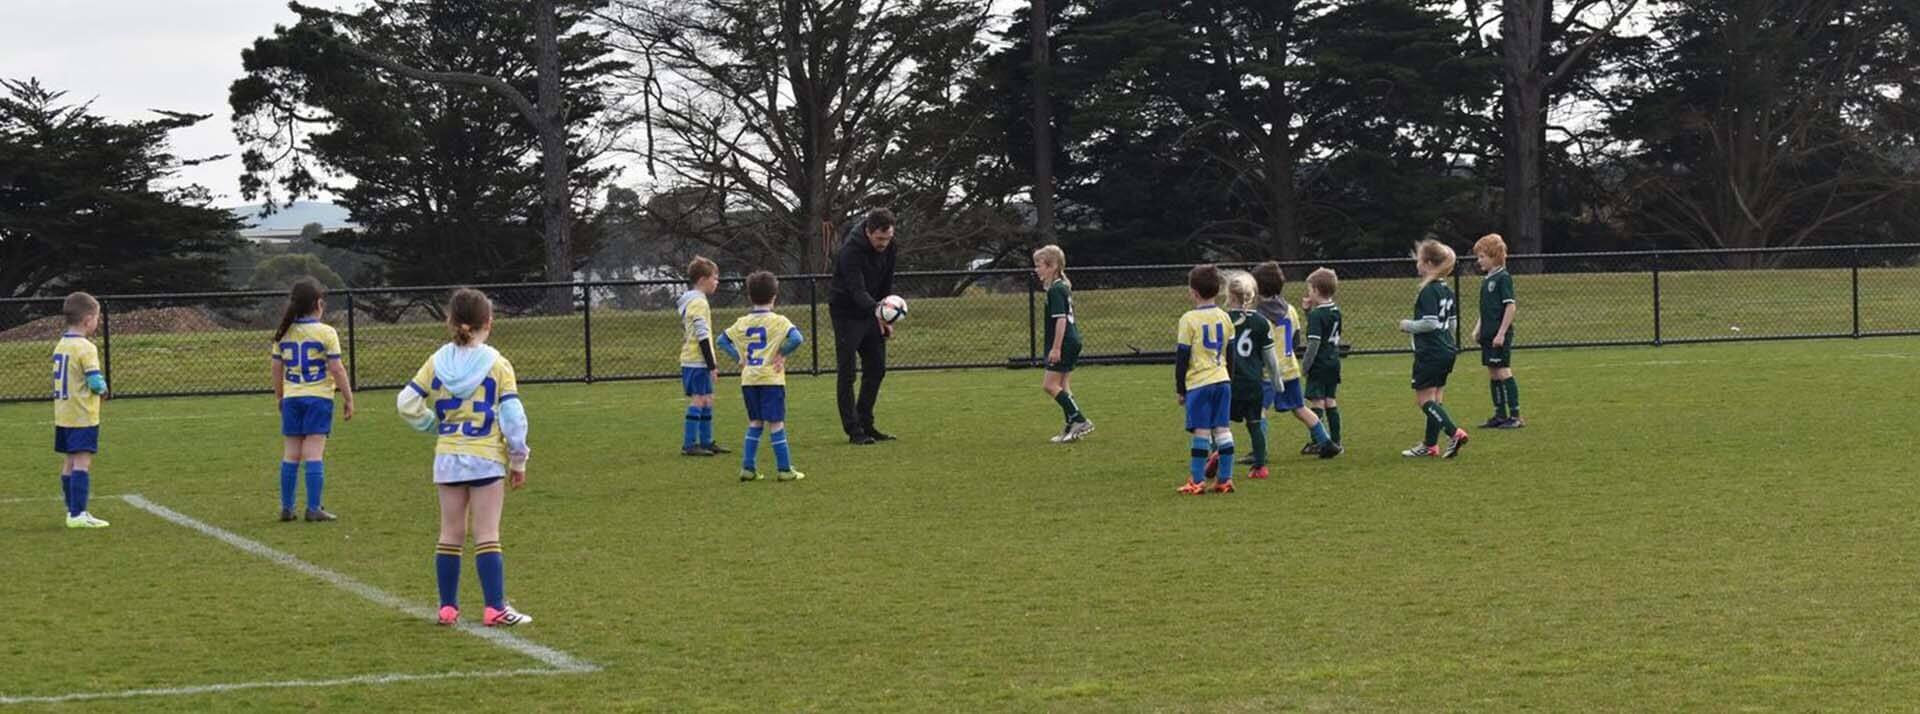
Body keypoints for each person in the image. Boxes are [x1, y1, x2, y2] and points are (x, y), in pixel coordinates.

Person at [396, 288, 533, 628]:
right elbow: (514, 417)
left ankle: (447, 608)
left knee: (450, 534)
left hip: (448, 458)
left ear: (451, 322)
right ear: (489, 322)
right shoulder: (498, 364)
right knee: (487, 534)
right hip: (485, 458)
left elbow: (406, 403)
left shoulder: (437, 361)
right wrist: (518, 459)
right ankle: (494, 608)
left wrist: (434, 426)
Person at [270, 277, 354, 522]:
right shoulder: (326, 332)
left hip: (292, 399)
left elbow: (276, 369)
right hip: (318, 399)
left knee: (291, 454)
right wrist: (348, 398)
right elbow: (337, 368)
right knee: (314, 453)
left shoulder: (283, 333)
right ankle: (314, 508)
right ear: (319, 304)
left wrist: (280, 396)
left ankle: (287, 508)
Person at [717, 271, 808, 482]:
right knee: (776, 423)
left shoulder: (742, 322)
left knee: (755, 422)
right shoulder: (779, 321)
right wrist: (781, 353)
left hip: (749, 380)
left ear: (750, 296)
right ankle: (784, 469)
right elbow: (797, 338)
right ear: (774, 296)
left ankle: (747, 468)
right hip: (771, 379)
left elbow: (721, 340)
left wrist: (739, 358)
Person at [1250, 262, 1338, 459]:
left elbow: (1258, 345)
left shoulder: (1259, 316)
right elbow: (1296, 339)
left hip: (1268, 372)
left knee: (1259, 410)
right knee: (1299, 408)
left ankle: (1259, 452)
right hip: (1290, 369)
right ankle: (1326, 442)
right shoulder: (1289, 309)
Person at [830, 209, 899, 445]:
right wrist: (878, 311)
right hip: (846, 312)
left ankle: (866, 423)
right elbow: (856, 290)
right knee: (847, 372)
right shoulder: (850, 250)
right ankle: (854, 430)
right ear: (868, 231)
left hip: (871, 311)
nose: (884, 244)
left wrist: (885, 317)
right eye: (879, 239)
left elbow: (886, 283)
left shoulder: (891, 246)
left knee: (877, 368)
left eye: (888, 238)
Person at [1398, 240, 1469, 458]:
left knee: (1424, 400)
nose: (1417, 265)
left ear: (1428, 263)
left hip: (1430, 351)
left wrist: (1407, 325)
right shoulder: (1446, 290)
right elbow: (1452, 324)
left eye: (1419, 260)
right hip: (1446, 349)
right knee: (1436, 398)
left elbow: (1430, 323)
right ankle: (1430, 445)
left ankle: (1454, 433)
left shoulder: (1428, 291)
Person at [1175, 266, 1237, 494]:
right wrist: (1230, 379)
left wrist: (1180, 388)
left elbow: (1182, 357)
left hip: (1200, 383)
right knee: (1223, 430)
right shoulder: (1225, 317)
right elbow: (1231, 354)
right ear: (1218, 290)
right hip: (1223, 379)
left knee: (1201, 431)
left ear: (1193, 292)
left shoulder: (1189, 319)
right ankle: (1225, 479)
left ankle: (1197, 480)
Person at [52, 292, 110, 529]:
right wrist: (103, 389)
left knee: (69, 461)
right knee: (82, 463)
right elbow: (94, 381)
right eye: (96, 318)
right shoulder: (85, 347)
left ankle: (72, 511)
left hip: (64, 414)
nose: (97, 322)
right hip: (82, 414)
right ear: (87, 320)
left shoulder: (62, 344)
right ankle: (78, 514)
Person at [1222, 272, 1281, 480]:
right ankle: (1260, 466)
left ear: (1229, 295)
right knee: (1255, 424)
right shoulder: (1261, 322)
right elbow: (1270, 359)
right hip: (1253, 383)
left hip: (1228, 382)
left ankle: (1216, 459)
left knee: (1219, 425)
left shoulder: (1223, 320)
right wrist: (1277, 382)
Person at [1034, 245, 1093, 443]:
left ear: (1052, 266)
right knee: (1062, 385)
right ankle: (1071, 427)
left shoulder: (1056, 290)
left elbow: (1061, 320)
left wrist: (1056, 347)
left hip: (1065, 342)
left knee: (1049, 385)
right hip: (1072, 340)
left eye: (1039, 265)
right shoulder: (1061, 287)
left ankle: (1080, 420)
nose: (1036, 269)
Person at [1472, 234, 1524, 429]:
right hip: (1488, 334)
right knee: (1493, 372)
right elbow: (1485, 309)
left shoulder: (1503, 278)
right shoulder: (1487, 280)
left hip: (1498, 335)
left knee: (1503, 371)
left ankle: (1516, 416)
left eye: (1482, 257)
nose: (1479, 261)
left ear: (1494, 256)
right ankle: (1500, 415)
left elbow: (1510, 306)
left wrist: (1501, 333)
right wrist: (1478, 329)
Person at [677, 257, 727, 457]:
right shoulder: (698, 302)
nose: (717, 282)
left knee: (707, 399)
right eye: (714, 278)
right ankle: (689, 445)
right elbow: (702, 335)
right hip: (695, 360)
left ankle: (706, 441)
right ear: (702, 279)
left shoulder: (696, 301)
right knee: (699, 399)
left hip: (698, 360)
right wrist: (711, 364)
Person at [1300, 268, 1345, 451]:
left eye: (1309, 290)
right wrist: (1307, 312)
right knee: (1330, 401)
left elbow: (1314, 343)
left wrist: (1305, 366)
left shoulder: (1317, 315)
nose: (1308, 293)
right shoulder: (1336, 311)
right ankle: (1336, 441)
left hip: (1319, 363)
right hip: (1333, 361)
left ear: (1316, 290)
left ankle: (1319, 442)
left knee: (1317, 402)